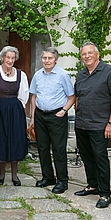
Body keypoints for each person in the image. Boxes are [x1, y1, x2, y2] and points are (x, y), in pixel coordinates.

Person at [74, 42, 111, 208]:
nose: (87, 56)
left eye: (90, 53)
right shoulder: (81, 74)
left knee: (100, 158)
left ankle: (105, 194)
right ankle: (93, 185)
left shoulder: (109, 72)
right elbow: (78, 97)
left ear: (97, 54)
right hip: (82, 123)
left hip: (100, 125)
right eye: (84, 54)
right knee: (87, 157)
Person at [29, 47, 75, 194]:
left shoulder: (63, 75)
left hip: (57, 116)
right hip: (40, 115)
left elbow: (72, 96)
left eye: (49, 58)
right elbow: (34, 96)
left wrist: (63, 111)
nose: (46, 61)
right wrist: (32, 117)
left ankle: (62, 181)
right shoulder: (37, 75)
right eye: (44, 58)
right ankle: (48, 177)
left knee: (58, 149)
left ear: (56, 59)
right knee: (42, 148)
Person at [0, 46, 29, 186]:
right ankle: (1, 173)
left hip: (14, 109)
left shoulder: (20, 74)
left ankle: (14, 174)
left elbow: (24, 94)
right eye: (8, 57)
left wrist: (19, 108)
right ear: (2, 58)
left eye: (13, 58)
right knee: (0, 139)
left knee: (15, 139)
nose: (10, 60)